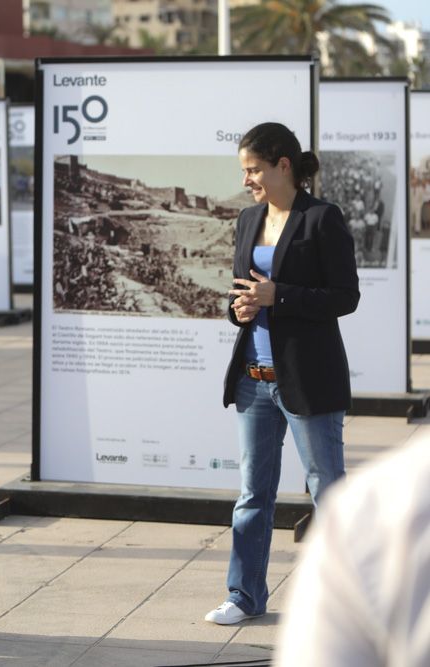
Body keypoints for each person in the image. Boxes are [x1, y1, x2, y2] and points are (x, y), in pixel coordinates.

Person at [206, 122, 360, 625]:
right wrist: (242, 310)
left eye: (253, 169)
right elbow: (238, 294)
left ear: (283, 166)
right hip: (254, 377)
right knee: (253, 494)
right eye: (245, 170)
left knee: (327, 490)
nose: (247, 179)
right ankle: (245, 596)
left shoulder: (322, 218)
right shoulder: (248, 220)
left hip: (308, 379)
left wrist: (281, 295)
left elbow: (345, 297)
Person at [273, 431, 430, 667]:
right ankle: (242, 595)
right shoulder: (380, 505)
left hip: (310, 401)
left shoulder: (377, 506)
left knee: (323, 480)